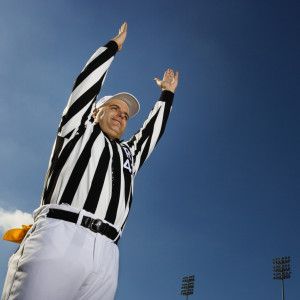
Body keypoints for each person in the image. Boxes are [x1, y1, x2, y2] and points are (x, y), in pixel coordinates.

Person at [1, 22, 178, 300]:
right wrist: (112, 48)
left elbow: (151, 134)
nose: (122, 115)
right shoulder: (77, 131)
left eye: (125, 114)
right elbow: (84, 88)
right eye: (114, 108)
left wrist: (167, 95)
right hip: (60, 236)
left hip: (108, 253)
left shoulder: (127, 154)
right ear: (96, 111)